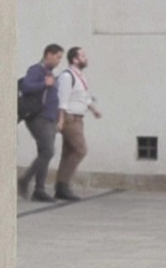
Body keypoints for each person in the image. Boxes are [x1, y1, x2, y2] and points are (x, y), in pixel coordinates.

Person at [54, 46, 102, 200]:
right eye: (82, 56)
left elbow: (84, 97)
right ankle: (63, 184)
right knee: (80, 150)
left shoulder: (80, 76)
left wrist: (93, 110)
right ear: (74, 59)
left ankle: (61, 187)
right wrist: (61, 119)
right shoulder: (67, 76)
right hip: (70, 118)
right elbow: (62, 99)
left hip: (78, 118)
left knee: (68, 152)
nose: (85, 58)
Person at [17, 44, 64, 202]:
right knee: (48, 152)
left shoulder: (49, 73)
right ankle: (24, 180)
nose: (59, 61)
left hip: (49, 119)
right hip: (39, 117)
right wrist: (44, 84)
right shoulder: (36, 70)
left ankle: (39, 189)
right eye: (57, 57)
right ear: (48, 54)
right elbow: (26, 86)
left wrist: (58, 119)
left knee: (44, 153)